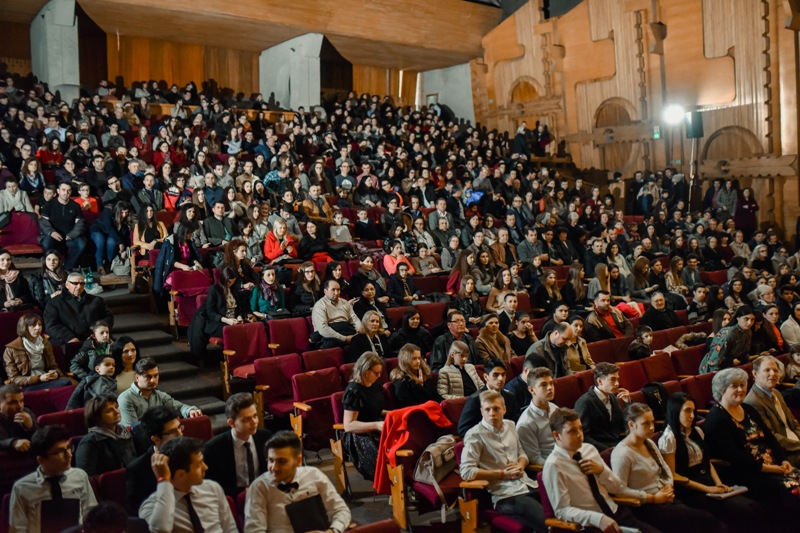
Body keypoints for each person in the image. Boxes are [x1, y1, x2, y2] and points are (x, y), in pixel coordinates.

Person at [659, 392, 765, 533]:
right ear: (675, 411)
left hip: (708, 481)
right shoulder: (669, 438)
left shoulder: (696, 431)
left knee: (754, 506)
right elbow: (673, 475)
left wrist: (718, 483)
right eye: (687, 411)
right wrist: (708, 489)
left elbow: (707, 462)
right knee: (745, 509)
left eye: (693, 411)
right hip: (691, 489)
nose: (692, 416)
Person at [543, 408, 658, 533]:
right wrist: (597, 519)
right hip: (592, 524)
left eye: (580, 428)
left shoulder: (589, 449)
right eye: (572, 431)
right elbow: (562, 510)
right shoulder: (554, 465)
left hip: (616, 512)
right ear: (557, 435)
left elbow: (617, 488)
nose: (579, 435)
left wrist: (602, 471)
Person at [610, 403, 722, 533]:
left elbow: (665, 468)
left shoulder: (649, 443)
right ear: (631, 425)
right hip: (646, 506)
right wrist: (653, 498)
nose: (652, 427)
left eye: (652, 422)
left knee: (705, 519)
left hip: (665, 497)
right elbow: (620, 491)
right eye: (646, 423)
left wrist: (668, 485)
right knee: (706, 520)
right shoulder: (622, 454)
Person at [704, 368, 800, 506]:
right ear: (721, 389)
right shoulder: (716, 419)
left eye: (742, 385)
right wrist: (770, 468)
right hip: (748, 474)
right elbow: (736, 458)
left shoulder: (748, 409)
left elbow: (770, 438)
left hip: (774, 466)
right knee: (794, 491)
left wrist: (783, 460)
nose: (740, 389)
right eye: (734, 386)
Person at [460, 390, 546, 533]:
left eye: (496, 409)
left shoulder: (511, 425)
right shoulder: (474, 435)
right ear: (481, 412)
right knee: (548, 523)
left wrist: (521, 464)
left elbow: (522, 453)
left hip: (527, 484)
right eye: (487, 409)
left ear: (504, 409)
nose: (492, 413)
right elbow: (466, 472)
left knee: (562, 510)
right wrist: (501, 474)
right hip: (505, 495)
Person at [243, 430, 351, 533]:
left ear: (298, 461)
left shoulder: (314, 475)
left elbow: (341, 510)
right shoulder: (259, 487)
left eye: (282, 461)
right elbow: (254, 530)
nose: (274, 467)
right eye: (271, 460)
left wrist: (333, 530)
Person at [139, 437, 238, 533]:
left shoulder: (212, 488)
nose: (205, 467)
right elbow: (161, 530)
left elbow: (230, 528)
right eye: (199, 464)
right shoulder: (151, 506)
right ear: (180, 474)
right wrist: (164, 480)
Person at [9, 425, 97, 533]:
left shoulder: (80, 476)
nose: (69, 455)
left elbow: (91, 516)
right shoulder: (22, 488)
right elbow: (18, 529)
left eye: (68, 448)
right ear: (41, 460)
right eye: (60, 452)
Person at [204, 393, 272, 497]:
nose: (254, 422)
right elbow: (212, 486)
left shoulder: (266, 437)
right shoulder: (213, 448)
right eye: (247, 419)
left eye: (255, 416)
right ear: (231, 423)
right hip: (233, 498)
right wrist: (243, 492)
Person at [743, 355, 800, 466]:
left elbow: (793, 422)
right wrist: (798, 445)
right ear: (755, 374)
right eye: (767, 370)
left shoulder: (776, 393)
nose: (773, 374)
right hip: (783, 454)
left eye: (775, 370)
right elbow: (772, 437)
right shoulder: (752, 402)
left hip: (795, 443)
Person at [126, 406, 184, 513]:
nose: (180, 434)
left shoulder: (190, 453)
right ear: (156, 439)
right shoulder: (138, 469)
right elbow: (139, 511)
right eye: (172, 432)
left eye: (180, 428)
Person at [118, 358, 202, 427]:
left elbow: (179, 407)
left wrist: (190, 410)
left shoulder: (160, 395)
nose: (153, 380)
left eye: (156, 375)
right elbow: (133, 429)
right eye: (148, 377)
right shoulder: (126, 398)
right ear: (137, 378)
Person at [342, 352, 385, 481]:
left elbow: (374, 410)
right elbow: (349, 425)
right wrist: (376, 425)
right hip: (358, 434)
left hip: (375, 425)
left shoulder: (376, 385)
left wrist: (391, 413)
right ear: (365, 371)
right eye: (376, 373)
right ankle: (386, 483)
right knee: (381, 453)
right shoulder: (354, 391)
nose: (379, 376)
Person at [43, 272, 114, 346]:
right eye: (75, 283)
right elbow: (51, 325)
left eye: (82, 283)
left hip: (97, 340)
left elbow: (108, 316)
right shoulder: (54, 303)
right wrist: (69, 337)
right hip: (70, 343)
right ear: (67, 284)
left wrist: (100, 330)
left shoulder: (96, 300)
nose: (79, 286)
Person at [4, 313, 70, 390]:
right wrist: (38, 378)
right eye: (33, 325)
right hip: (27, 385)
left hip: (47, 380)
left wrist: (56, 374)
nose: (38, 328)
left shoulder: (45, 343)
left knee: (66, 383)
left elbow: (53, 366)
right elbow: (14, 379)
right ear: (24, 327)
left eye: (40, 325)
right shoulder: (11, 349)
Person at [75, 393, 136, 476]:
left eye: (116, 407)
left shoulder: (126, 433)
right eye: (109, 411)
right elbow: (86, 476)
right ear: (97, 417)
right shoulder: (89, 442)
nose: (116, 412)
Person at [575, 362, 630, 451]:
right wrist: (608, 450)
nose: (617, 384)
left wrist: (628, 403)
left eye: (617, 379)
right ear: (600, 381)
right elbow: (583, 436)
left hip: (617, 445)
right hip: (599, 450)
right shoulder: (585, 402)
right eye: (612, 379)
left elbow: (624, 425)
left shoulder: (612, 398)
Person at [458, 358, 521, 436]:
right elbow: (463, 429)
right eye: (496, 375)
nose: (501, 378)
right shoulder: (475, 399)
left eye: (503, 374)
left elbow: (517, 422)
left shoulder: (510, 397)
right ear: (486, 377)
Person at [39, 182, 87, 271]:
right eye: (63, 190)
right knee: (46, 243)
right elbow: (43, 222)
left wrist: (72, 234)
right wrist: (51, 232)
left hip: (69, 236)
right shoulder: (49, 205)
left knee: (81, 244)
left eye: (68, 190)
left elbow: (80, 224)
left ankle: (67, 268)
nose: (66, 192)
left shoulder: (75, 206)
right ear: (58, 191)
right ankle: (49, 268)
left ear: (71, 192)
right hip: (53, 235)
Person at [516, 367, 558, 467]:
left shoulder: (554, 408)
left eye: (551, 383)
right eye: (543, 385)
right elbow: (535, 459)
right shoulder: (525, 424)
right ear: (531, 390)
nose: (550, 388)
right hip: (551, 466)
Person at [699, 305, 756, 373]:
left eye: (752, 320)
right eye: (746, 319)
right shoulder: (728, 333)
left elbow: (744, 354)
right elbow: (715, 359)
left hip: (732, 367)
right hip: (713, 368)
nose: (749, 323)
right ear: (738, 317)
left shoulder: (748, 332)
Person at [312, 279, 363, 350]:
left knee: (364, 338)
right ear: (325, 291)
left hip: (347, 330)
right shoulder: (319, 306)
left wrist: (359, 332)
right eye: (333, 290)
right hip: (330, 336)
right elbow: (323, 329)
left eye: (338, 290)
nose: (336, 293)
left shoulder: (345, 303)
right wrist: (345, 338)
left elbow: (355, 319)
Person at [390, 343, 442, 407]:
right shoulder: (401, 380)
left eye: (419, 358)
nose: (418, 361)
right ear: (405, 360)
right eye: (414, 358)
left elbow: (435, 395)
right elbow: (408, 404)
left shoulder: (423, 374)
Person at [89, 201, 132, 274]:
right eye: (122, 212)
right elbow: (109, 227)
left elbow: (124, 233)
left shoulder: (126, 219)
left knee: (112, 241)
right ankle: (99, 264)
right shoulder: (108, 212)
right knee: (100, 239)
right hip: (98, 230)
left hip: (111, 235)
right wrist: (120, 243)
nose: (124, 215)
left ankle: (108, 264)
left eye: (126, 212)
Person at [0, 384, 38, 453]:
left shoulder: (27, 412)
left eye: (21, 401)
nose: (19, 406)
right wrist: (13, 442)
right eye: (12, 403)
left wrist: (31, 426)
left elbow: (40, 439)